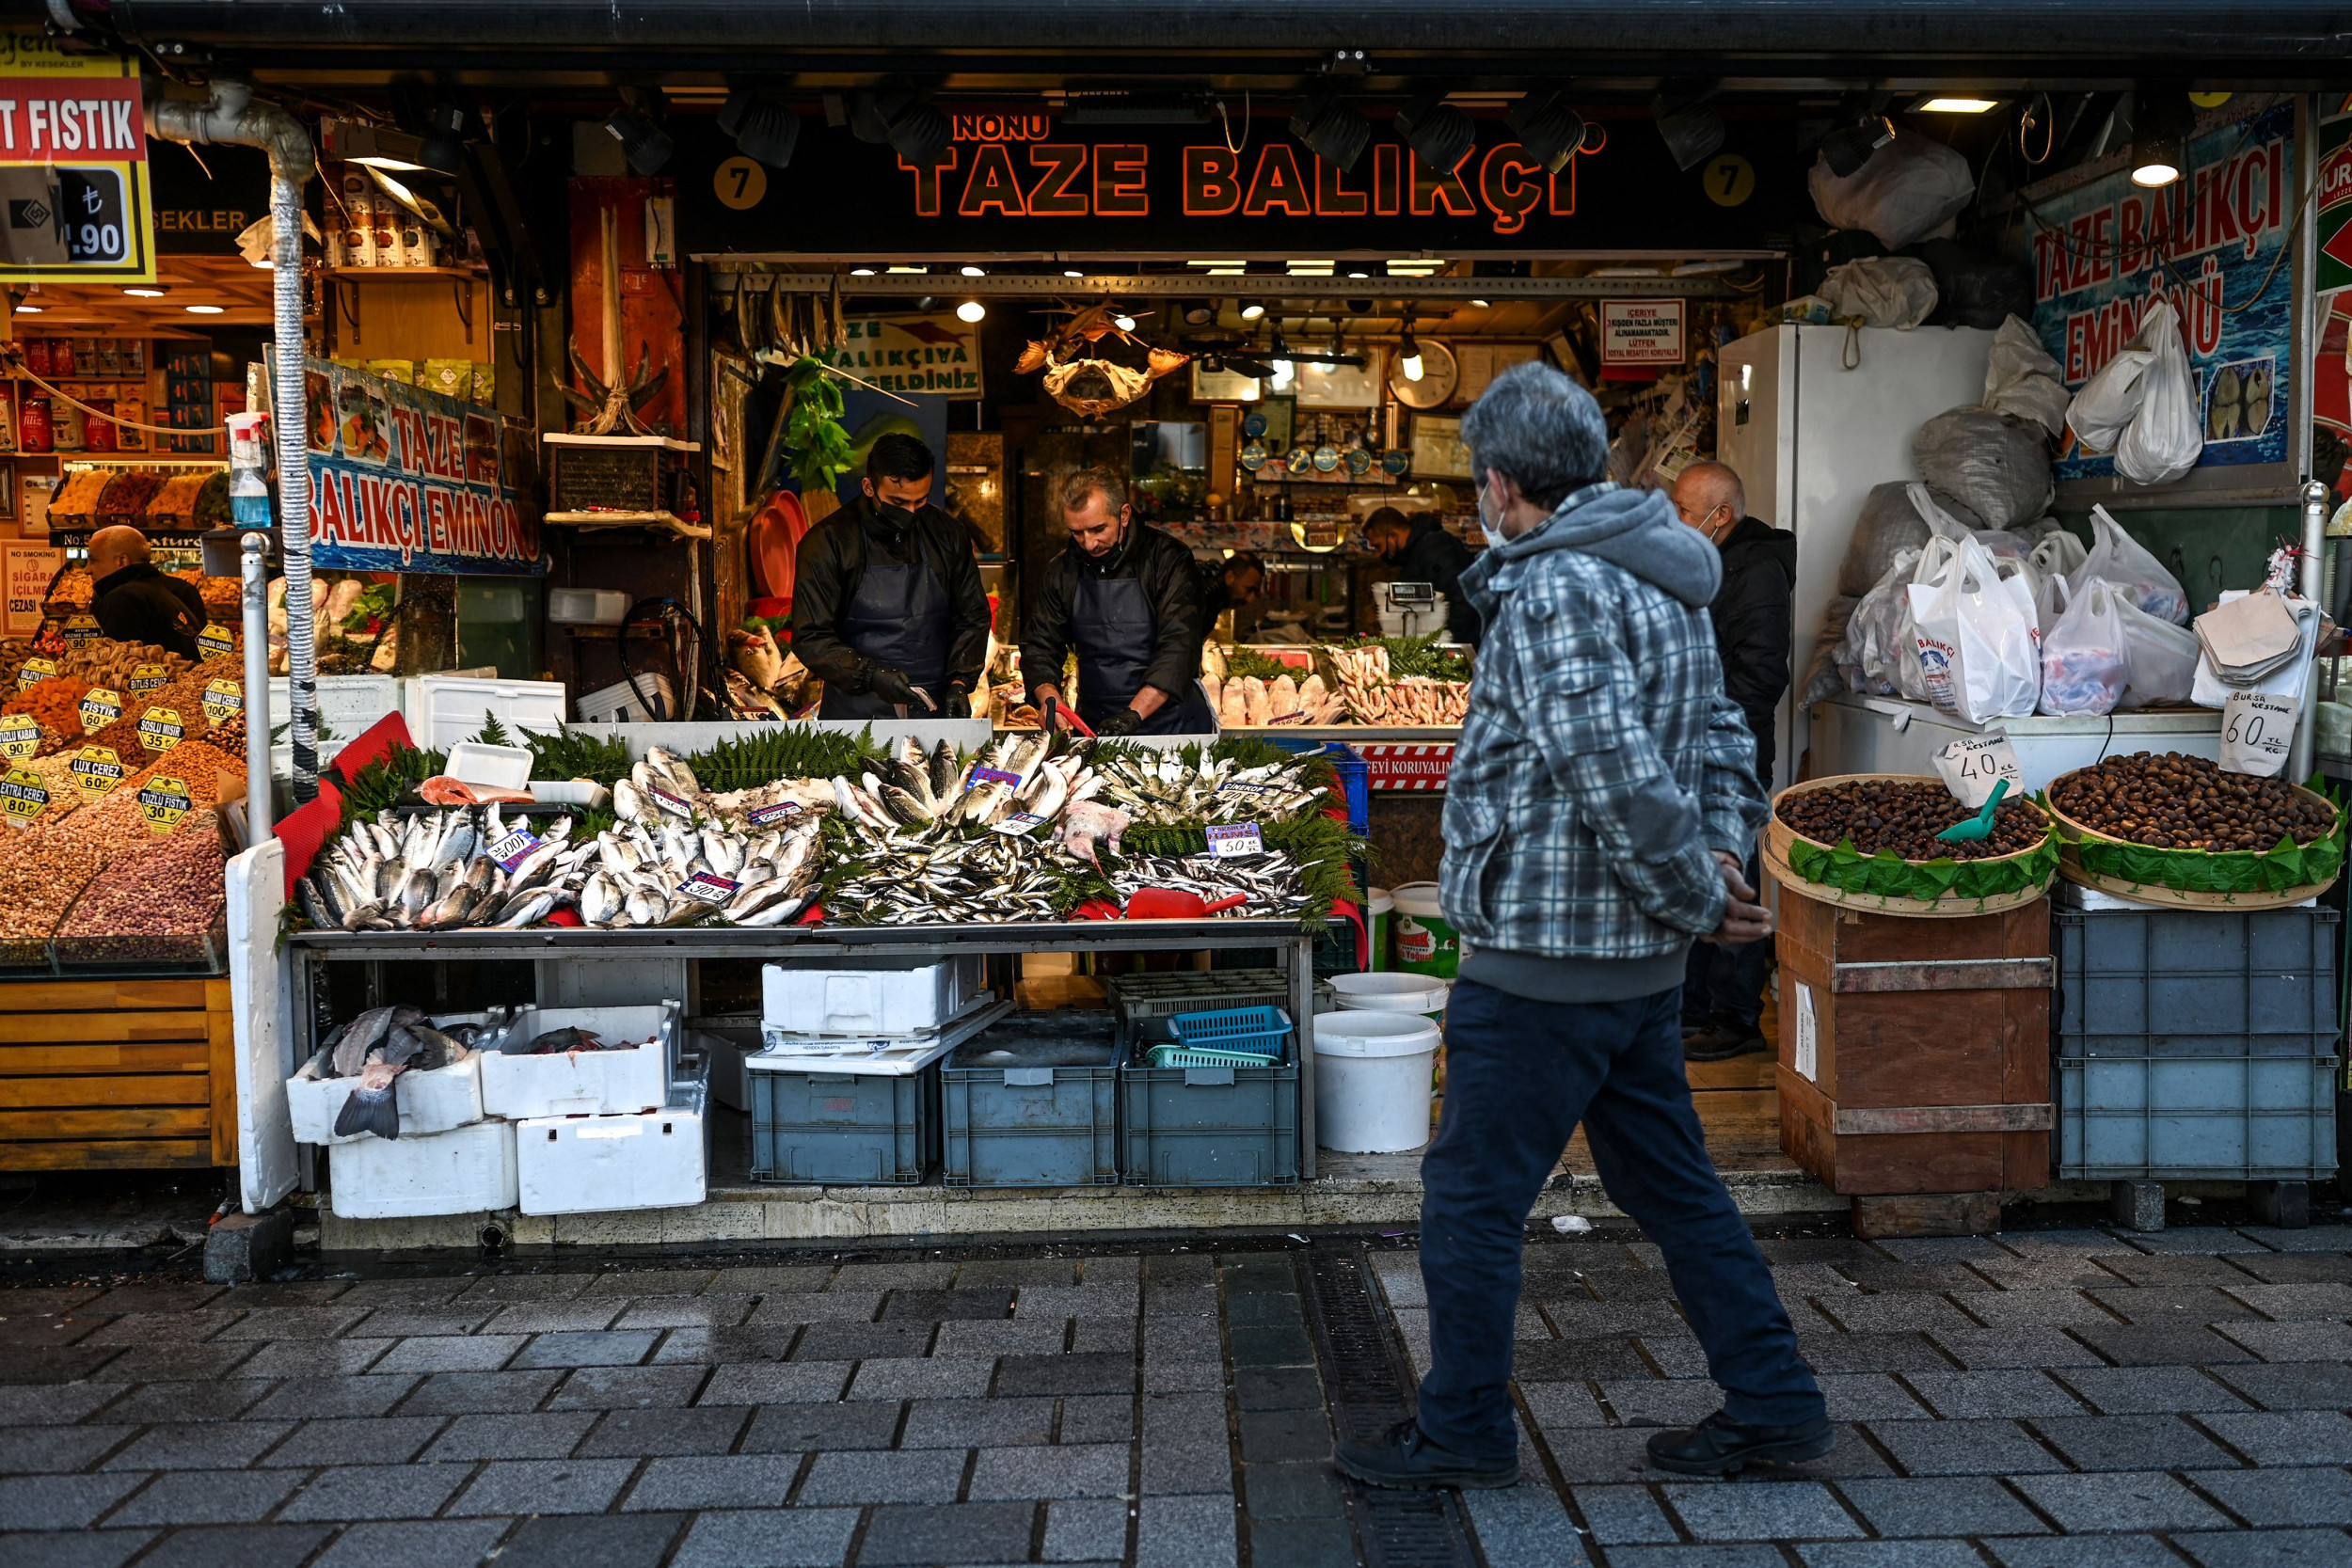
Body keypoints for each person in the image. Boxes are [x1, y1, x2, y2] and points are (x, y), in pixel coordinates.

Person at [1333, 363, 1827, 1492]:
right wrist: (1713, 851)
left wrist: (1703, 892)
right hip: (1633, 968)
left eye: (1478, 486)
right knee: (1672, 1185)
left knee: (1469, 1194)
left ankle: (1459, 1428)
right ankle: (1775, 1400)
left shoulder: (1553, 588)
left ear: (1500, 484)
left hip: (1547, 957)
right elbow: (1716, 736)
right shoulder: (1665, 576)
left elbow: (1604, 764)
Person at [1671, 461, 1795, 1063]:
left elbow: (1762, 674)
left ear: (1722, 516)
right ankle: (1689, 1011)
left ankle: (1736, 1018)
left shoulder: (1756, 572)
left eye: (1683, 513)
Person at [788, 433, 993, 719]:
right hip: (856, 711)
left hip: (936, 703)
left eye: (920, 502)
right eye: (898, 503)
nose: (910, 513)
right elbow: (810, 636)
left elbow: (972, 615)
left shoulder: (947, 533)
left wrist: (960, 679)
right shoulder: (828, 542)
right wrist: (871, 675)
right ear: (869, 487)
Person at [1023, 467, 1216, 736]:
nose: (1089, 543)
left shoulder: (1168, 559)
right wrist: (1048, 697)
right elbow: (1040, 644)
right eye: (1077, 533)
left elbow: (1179, 645)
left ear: (1123, 515)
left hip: (1171, 725)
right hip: (1095, 721)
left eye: (1098, 529)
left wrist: (1133, 715)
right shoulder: (1062, 569)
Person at [1366, 505, 1482, 644]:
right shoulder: (1415, 552)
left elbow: (1462, 597)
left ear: (1392, 536)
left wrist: (1450, 643)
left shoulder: (1433, 549)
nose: (1378, 555)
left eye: (1378, 546)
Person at [87, 525, 206, 658]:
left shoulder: (122, 599)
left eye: (93, 561)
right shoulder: (164, 591)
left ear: (122, 561)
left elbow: (114, 668)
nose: (87, 569)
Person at [1197, 550, 1264, 632]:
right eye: (1249, 590)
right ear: (1230, 577)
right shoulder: (1204, 594)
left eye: (1255, 592)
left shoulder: (1217, 598)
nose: (1250, 599)